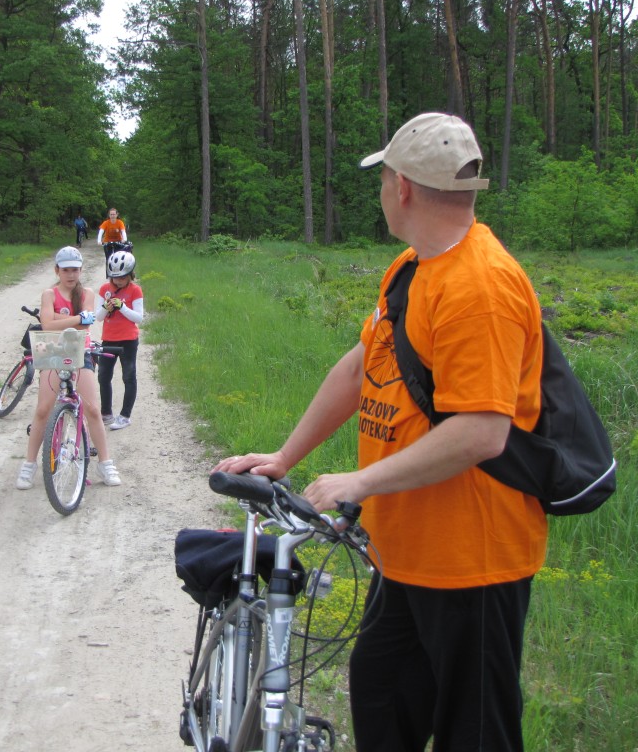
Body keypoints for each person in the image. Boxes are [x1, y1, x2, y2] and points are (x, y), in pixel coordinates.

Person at [213, 113, 547, 751]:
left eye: (384, 177)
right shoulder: (412, 268)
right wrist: (285, 455)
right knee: (381, 700)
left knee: (474, 735)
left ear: (404, 188)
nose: (382, 190)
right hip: (407, 557)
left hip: (471, 565)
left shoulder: (481, 286)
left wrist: (359, 482)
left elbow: (482, 431)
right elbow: (362, 365)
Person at [15, 246, 123, 489]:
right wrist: (75, 319)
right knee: (43, 409)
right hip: (53, 349)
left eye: (75, 270)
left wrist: (60, 320)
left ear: (81, 270)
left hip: (80, 350)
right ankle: (29, 464)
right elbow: (47, 325)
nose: (71, 275)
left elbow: (84, 326)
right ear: (57, 270)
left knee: (93, 409)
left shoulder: (86, 293)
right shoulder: (49, 294)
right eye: (66, 270)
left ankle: (105, 463)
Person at [95, 249, 144, 430]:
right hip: (109, 339)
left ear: (130, 274)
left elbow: (138, 318)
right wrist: (106, 307)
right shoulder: (104, 289)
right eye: (115, 278)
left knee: (128, 376)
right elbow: (98, 317)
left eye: (123, 277)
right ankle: (106, 413)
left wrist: (122, 307)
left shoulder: (135, 290)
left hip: (128, 340)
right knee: (103, 376)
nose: (118, 281)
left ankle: (125, 416)